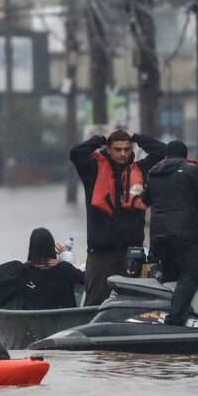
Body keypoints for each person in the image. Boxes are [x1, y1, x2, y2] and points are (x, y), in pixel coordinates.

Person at [70, 128, 165, 305]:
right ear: (108, 149)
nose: (122, 154)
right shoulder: (93, 171)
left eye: (127, 149)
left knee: (134, 302)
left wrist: (136, 137)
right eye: (117, 149)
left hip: (131, 252)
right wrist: (101, 138)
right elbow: (76, 152)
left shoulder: (141, 170)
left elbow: (163, 151)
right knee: (95, 301)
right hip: (101, 253)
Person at [141, 140, 198, 326]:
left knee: (169, 274)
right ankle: (176, 320)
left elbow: (146, 199)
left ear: (166, 156)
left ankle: (160, 315)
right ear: (185, 155)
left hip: (158, 236)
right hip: (185, 233)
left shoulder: (153, 172)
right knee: (191, 274)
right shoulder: (191, 170)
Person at [19, 227, 85, 310]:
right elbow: (86, 278)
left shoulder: (23, 271)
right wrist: (67, 255)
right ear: (51, 246)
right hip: (66, 320)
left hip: (31, 321)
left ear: (31, 247)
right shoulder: (64, 269)